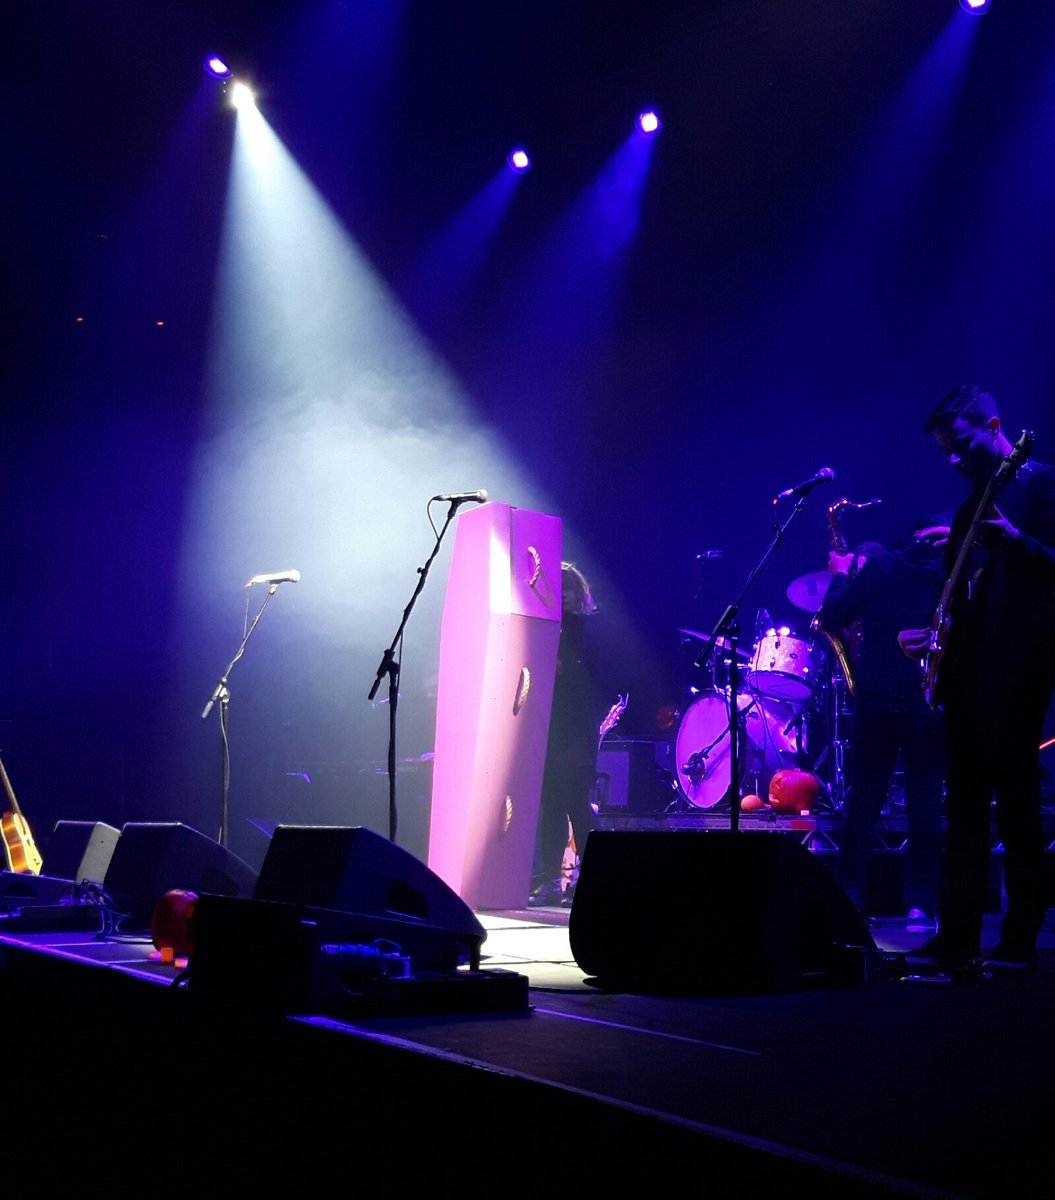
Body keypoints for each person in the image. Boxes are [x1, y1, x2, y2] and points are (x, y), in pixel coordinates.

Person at [899, 384, 1055, 970]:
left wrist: (1017, 542)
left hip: (1022, 667)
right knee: (963, 808)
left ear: (994, 427)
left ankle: (1020, 937)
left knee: (1015, 804)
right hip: (968, 672)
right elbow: (961, 595)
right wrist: (932, 639)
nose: (953, 460)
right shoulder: (968, 507)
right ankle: (958, 934)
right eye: (944, 450)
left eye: (960, 445)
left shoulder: (1042, 483)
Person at [817, 521, 946, 926]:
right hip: (926, 700)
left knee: (863, 805)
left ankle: (850, 899)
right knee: (924, 804)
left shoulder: (881, 567)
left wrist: (839, 575)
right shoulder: (948, 573)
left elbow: (832, 616)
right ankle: (921, 904)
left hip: (874, 699)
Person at [529, 562, 602, 907]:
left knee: (576, 805)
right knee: (552, 807)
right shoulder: (549, 629)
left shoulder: (582, 629)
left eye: (568, 591)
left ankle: (588, 876)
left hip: (575, 731)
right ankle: (550, 880)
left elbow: (574, 672)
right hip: (553, 729)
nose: (564, 598)